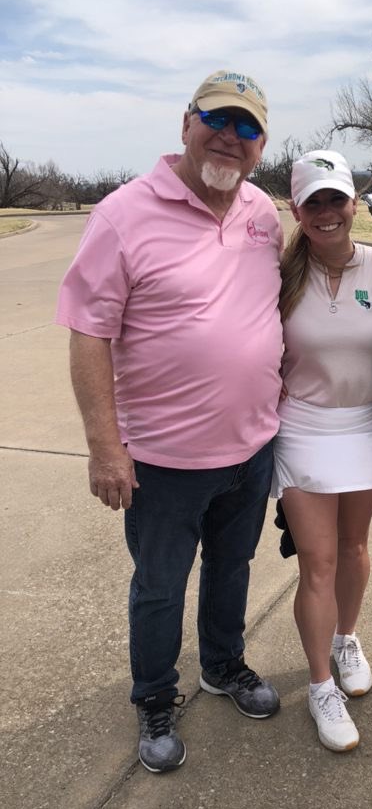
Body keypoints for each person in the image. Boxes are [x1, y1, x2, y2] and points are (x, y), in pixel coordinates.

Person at [55, 70, 284, 773]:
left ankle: (222, 664)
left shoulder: (262, 213)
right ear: (186, 123)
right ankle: (155, 696)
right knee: (159, 586)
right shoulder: (123, 214)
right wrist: (105, 448)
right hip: (162, 459)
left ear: (261, 144)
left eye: (246, 127)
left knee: (232, 567)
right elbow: (89, 333)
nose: (230, 136)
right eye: (217, 119)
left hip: (251, 448)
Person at [273, 150, 372, 752]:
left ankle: (346, 638)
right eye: (313, 202)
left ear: (353, 203)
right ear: (297, 209)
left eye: (336, 200)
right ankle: (321, 684)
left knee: (354, 547)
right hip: (303, 427)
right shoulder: (279, 274)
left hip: (366, 425)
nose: (327, 212)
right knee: (317, 561)